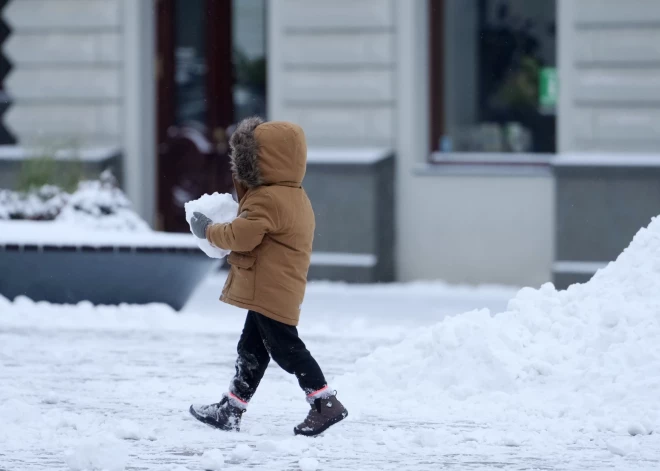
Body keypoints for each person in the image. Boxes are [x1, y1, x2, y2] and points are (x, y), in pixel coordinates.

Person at [188, 117, 348, 437]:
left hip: (269, 288)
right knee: (252, 349)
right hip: (275, 286)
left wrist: (207, 230)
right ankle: (231, 408)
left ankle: (325, 401)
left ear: (258, 161)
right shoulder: (294, 195)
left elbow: (240, 236)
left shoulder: (267, 198)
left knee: (285, 349)